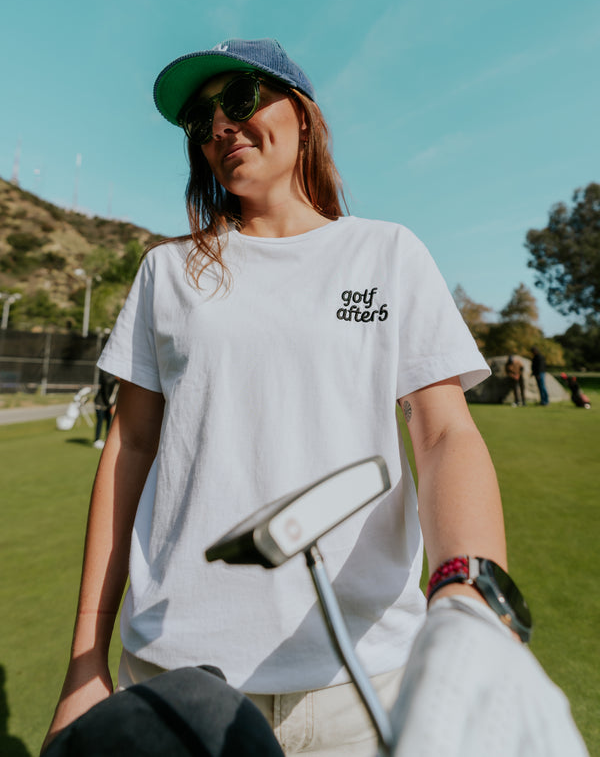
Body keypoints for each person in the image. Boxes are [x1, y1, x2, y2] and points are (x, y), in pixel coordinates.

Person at [42, 39, 587, 757]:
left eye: (240, 101)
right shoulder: (166, 272)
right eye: (200, 121)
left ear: (303, 115)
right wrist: (85, 663)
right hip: (178, 678)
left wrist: (470, 598)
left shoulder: (388, 254)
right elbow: (129, 449)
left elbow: (443, 435)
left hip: (363, 679)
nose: (220, 128)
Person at [92, 370, 118, 448]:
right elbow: (106, 392)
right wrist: (110, 405)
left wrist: (114, 404)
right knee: (100, 420)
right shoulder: (110, 380)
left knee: (109, 422)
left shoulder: (118, 383)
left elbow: (116, 395)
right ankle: (97, 440)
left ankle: (108, 439)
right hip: (100, 403)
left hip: (109, 405)